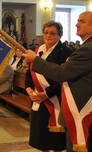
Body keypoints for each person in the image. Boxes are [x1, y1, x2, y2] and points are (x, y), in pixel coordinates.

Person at [23, 11, 92, 151]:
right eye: (77, 20)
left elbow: (62, 73)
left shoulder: (88, 49)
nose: (77, 24)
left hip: (79, 106)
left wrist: (35, 60)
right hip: (76, 105)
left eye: (81, 21)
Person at [25, 21, 72, 151]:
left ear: (60, 35)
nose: (48, 36)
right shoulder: (37, 50)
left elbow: (62, 78)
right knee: (41, 139)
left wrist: (45, 95)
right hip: (38, 100)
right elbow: (29, 72)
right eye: (46, 33)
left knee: (55, 140)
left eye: (52, 33)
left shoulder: (65, 52)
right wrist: (29, 89)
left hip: (55, 99)